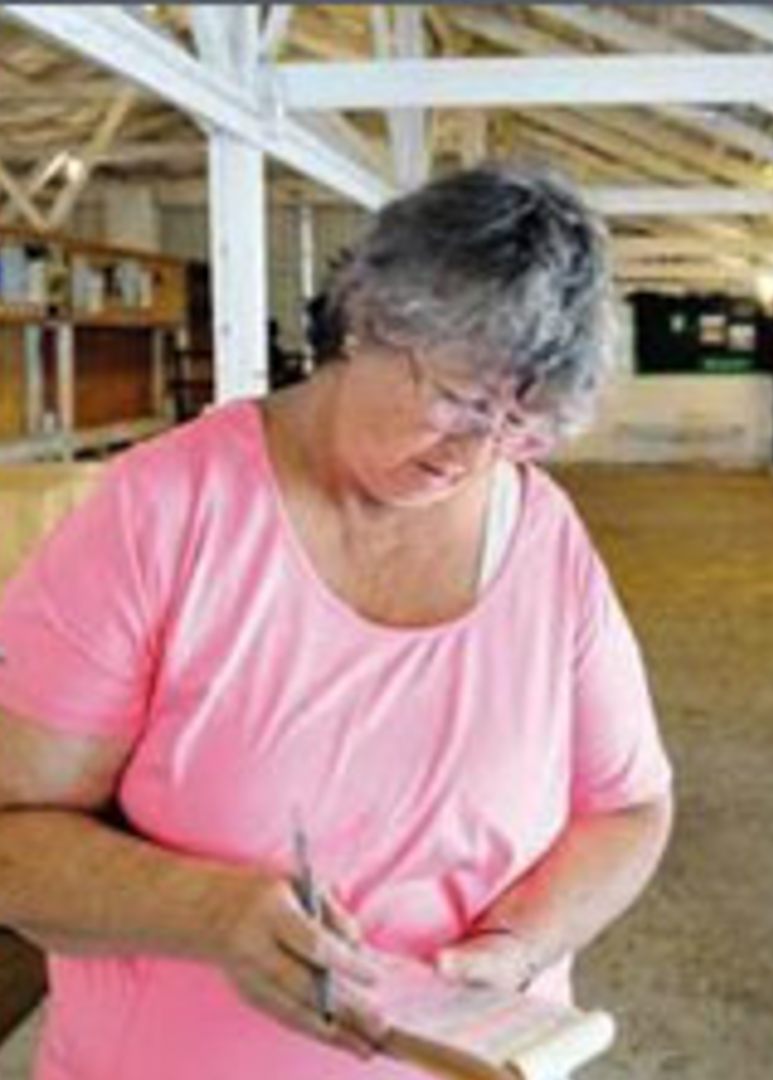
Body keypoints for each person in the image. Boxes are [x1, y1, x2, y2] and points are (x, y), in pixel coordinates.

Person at [0, 163, 674, 1080]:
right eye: (464, 399)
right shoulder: (166, 511)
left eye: (523, 424)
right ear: (371, 320)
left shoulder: (543, 537)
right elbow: (14, 838)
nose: (477, 454)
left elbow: (630, 808)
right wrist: (209, 913)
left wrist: (518, 945)